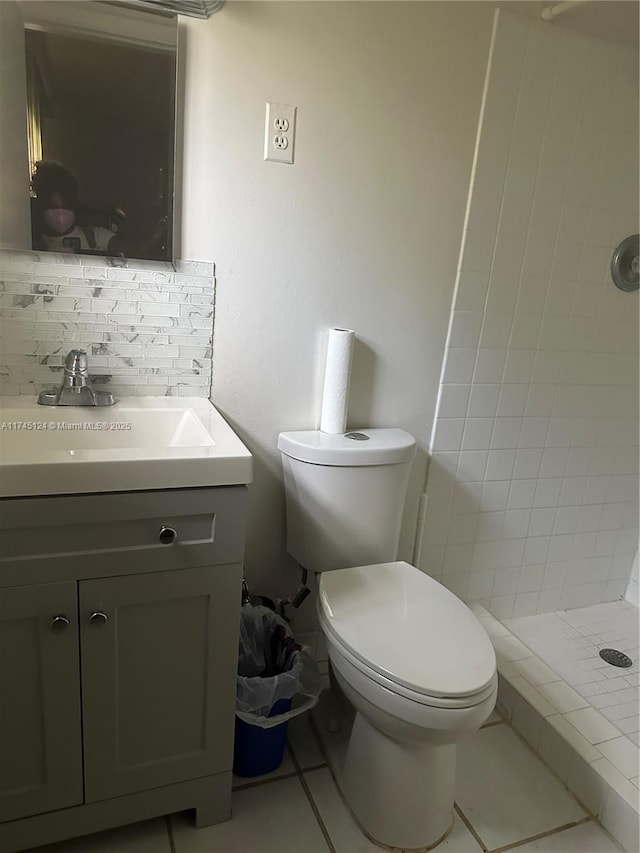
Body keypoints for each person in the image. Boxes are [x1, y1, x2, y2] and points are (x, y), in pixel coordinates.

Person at [30, 161, 123, 255]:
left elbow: (130, 253)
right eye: (52, 206)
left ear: (75, 204)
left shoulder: (97, 238)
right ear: (40, 205)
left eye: (66, 206)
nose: (60, 214)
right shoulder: (31, 244)